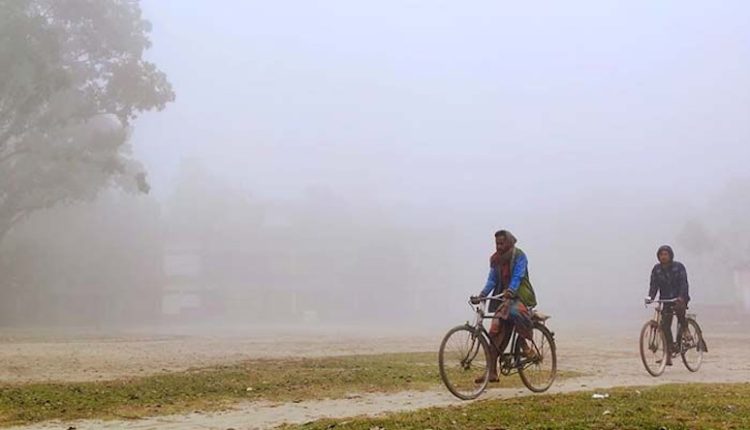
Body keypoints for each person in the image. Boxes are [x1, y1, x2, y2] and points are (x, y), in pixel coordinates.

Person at [472, 229, 537, 382]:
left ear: (508, 242)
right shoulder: (496, 260)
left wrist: (511, 290)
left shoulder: (519, 255)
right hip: (505, 299)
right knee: (494, 333)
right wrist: (482, 294)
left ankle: (524, 344)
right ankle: (491, 372)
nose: (499, 247)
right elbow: (492, 280)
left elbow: (518, 276)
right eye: (497, 243)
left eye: (501, 243)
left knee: (514, 312)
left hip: (520, 296)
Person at [646, 245, 690, 366]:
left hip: (679, 297)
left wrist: (681, 296)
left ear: (670, 255)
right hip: (665, 299)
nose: (663, 257)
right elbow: (653, 285)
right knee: (665, 326)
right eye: (661, 255)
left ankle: (685, 329)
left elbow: (684, 283)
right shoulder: (656, 269)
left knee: (679, 310)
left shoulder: (678, 267)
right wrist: (650, 297)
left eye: (666, 254)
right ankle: (669, 354)